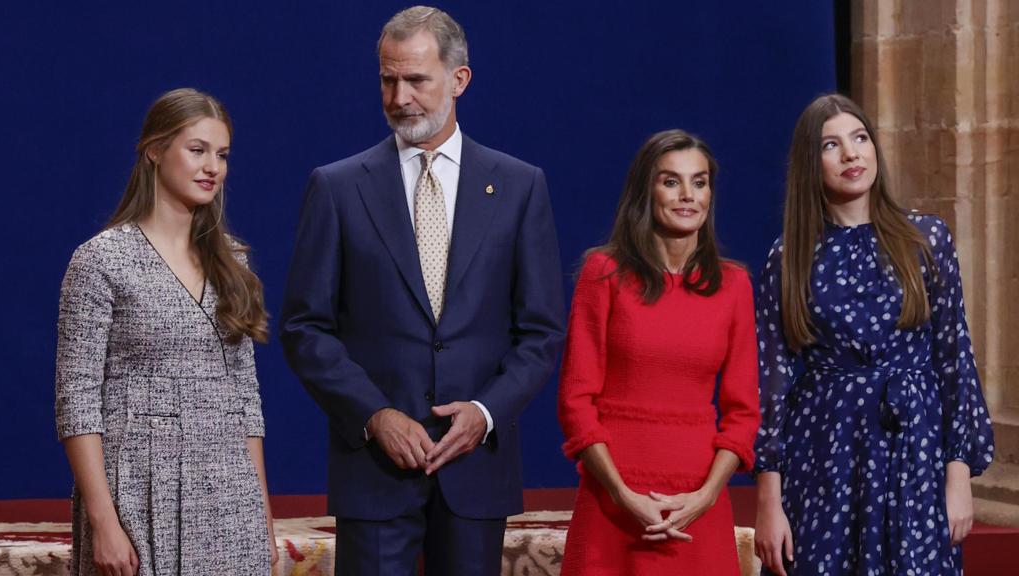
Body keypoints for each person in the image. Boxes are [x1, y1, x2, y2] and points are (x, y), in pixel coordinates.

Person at [279, 6, 565, 575]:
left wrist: (485, 412)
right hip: (375, 471)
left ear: (459, 80)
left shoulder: (519, 186)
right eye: (388, 79)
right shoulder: (336, 188)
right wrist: (374, 415)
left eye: (416, 79)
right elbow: (304, 327)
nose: (399, 96)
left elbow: (541, 332)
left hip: (475, 471)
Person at [752, 93, 995, 575]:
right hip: (824, 451)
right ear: (809, 163)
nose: (851, 154)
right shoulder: (790, 256)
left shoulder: (925, 239)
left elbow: (955, 361)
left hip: (916, 450)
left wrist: (959, 476)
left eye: (860, 138)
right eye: (831, 145)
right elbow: (771, 383)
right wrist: (768, 502)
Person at [55, 88, 277, 576]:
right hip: (137, 488)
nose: (212, 168)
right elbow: (76, 400)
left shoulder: (232, 262)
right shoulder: (101, 260)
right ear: (155, 150)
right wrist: (103, 522)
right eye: (197, 150)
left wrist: (261, 518)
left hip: (229, 497)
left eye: (221, 155)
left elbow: (246, 398)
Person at [557, 129, 761, 575]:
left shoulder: (734, 285)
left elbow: (744, 414)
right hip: (613, 505)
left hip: (697, 509)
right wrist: (621, 494)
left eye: (700, 182)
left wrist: (705, 496)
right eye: (671, 181)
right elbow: (576, 401)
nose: (688, 195)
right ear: (645, 191)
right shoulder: (604, 273)